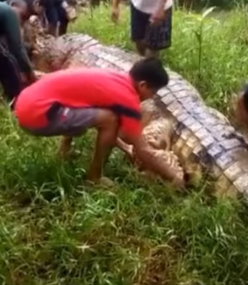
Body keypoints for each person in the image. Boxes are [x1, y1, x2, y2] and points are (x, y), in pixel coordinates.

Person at [14, 59, 184, 189]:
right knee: (110, 119)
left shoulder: (115, 78)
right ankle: (94, 177)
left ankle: (63, 152)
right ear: (142, 85)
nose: (151, 97)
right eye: (153, 92)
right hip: (37, 116)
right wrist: (173, 177)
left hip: (25, 102)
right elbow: (144, 151)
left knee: (94, 111)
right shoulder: (128, 99)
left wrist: (125, 148)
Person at [0, 0, 37, 104]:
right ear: (13, 5)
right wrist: (29, 71)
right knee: (10, 67)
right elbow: (17, 47)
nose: (21, 20)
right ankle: (16, 104)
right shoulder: (8, 11)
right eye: (22, 15)